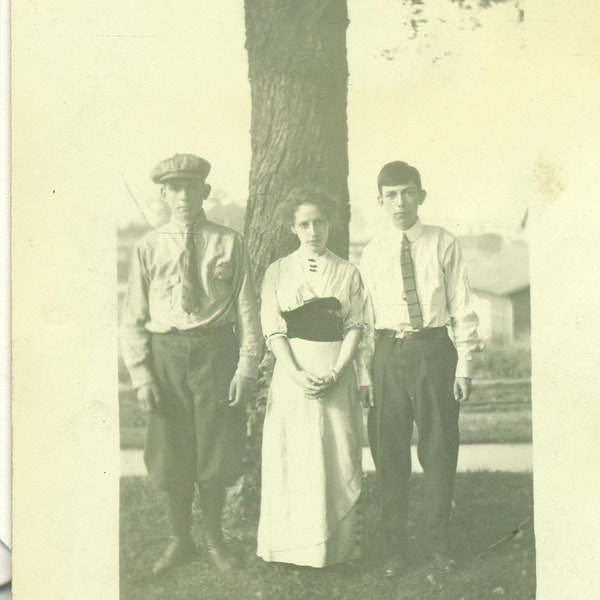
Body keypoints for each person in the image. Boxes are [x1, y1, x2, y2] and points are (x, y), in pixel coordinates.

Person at [120, 153, 261, 574]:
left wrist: (247, 367)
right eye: (174, 188)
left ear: (206, 191)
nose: (183, 196)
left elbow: (247, 310)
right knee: (171, 450)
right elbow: (132, 318)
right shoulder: (148, 247)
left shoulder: (229, 242)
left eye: (191, 187)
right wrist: (142, 377)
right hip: (167, 357)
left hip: (216, 352)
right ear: (163, 194)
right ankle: (181, 540)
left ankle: (215, 539)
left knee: (216, 448)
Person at [360, 161, 481, 577]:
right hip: (387, 353)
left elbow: (463, 307)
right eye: (390, 195)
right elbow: (364, 316)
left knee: (439, 449)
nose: (399, 202)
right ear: (379, 201)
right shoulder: (372, 252)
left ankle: (437, 544)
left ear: (421, 196)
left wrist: (464, 365)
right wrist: (364, 373)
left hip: (434, 351)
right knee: (388, 452)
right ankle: (393, 547)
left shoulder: (443, 243)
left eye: (407, 192)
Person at [256, 187, 374, 568]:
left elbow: (356, 325)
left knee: (336, 452)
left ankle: (337, 549)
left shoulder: (347, 272)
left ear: (330, 224)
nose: (313, 231)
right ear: (293, 227)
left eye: (319, 222)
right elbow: (273, 331)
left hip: (335, 370)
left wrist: (339, 372)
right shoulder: (277, 272)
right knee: (295, 455)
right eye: (304, 224)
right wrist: (296, 374)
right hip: (294, 375)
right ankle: (293, 548)